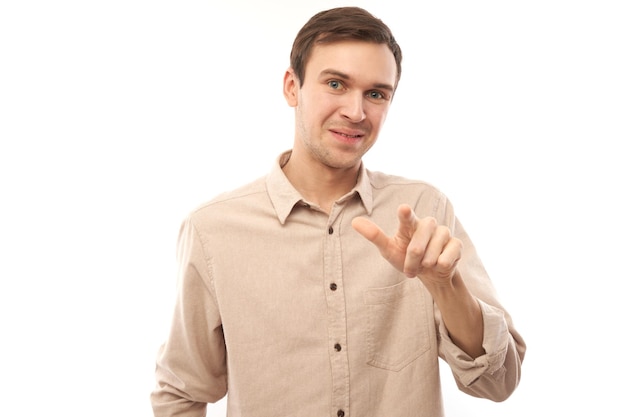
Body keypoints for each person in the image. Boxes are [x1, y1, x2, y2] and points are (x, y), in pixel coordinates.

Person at [150, 6, 526, 417]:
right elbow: (181, 392)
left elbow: (499, 381)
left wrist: (445, 287)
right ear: (292, 87)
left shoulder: (425, 211)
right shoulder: (213, 230)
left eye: (376, 94)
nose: (356, 112)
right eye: (335, 84)